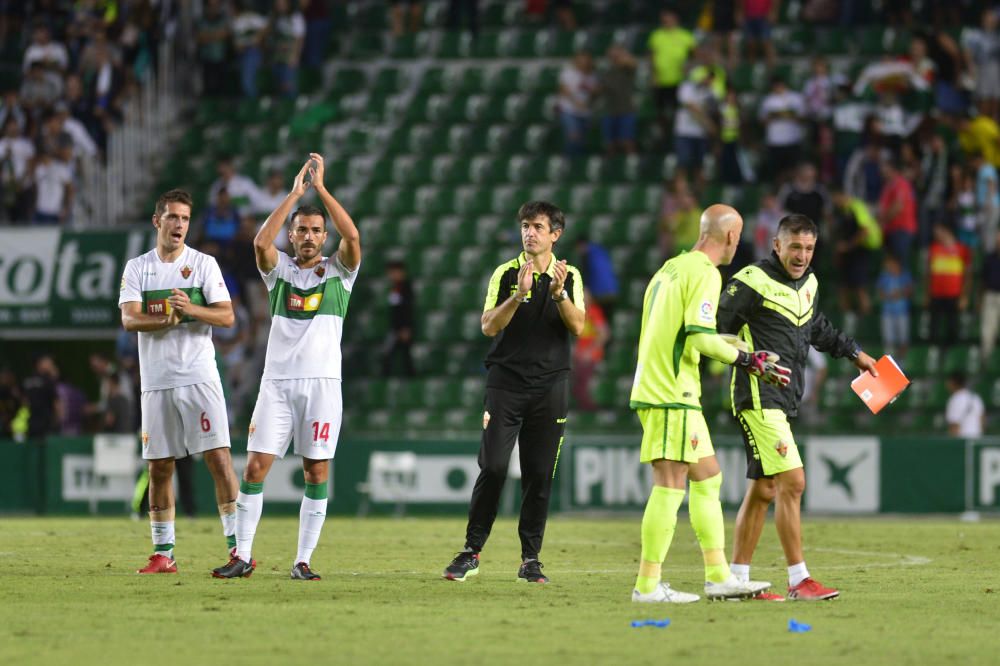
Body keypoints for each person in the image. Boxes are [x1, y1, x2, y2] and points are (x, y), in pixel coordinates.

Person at [213, 154, 361, 581]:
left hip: (322, 386)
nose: (309, 236)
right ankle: (241, 555)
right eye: (302, 230)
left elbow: (352, 236)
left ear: (323, 235)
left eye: (316, 230)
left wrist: (323, 191)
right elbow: (260, 244)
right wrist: (295, 194)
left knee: (315, 471)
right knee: (255, 467)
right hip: (276, 385)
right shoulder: (279, 273)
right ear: (292, 236)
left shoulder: (340, 272)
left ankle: (303, 561)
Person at [718, 214, 879, 601]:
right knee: (794, 482)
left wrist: (854, 352)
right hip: (757, 396)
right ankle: (799, 579)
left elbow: (815, 327)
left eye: (808, 248)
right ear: (777, 245)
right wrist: (746, 357)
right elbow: (712, 329)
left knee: (764, 490)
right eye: (794, 247)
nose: (802, 255)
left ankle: (739, 581)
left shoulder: (809, 284)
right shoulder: (750, 281)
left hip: (787, 398)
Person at [629, 204, 785, 604]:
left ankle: (719, 576)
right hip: (671, 393)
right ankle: (647, 586)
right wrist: (749, 360)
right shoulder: (706, 273)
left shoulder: (671, 268)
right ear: (731, 236)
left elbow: (689, 332)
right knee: (669, 486)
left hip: (665, 387)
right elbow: (699, 339)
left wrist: (739, 347)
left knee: (708, 477)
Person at [441, 201, 585, 584]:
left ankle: (530, 559)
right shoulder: (506, 274)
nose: (529, 233)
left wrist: (559, 294)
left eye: (538, 226)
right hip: (506, 383)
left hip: (551, 385)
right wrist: (519, 296)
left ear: (556, 234)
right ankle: (472, 551)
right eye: (525, 226)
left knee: (539, 474)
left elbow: (579, 327)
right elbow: (489, 326)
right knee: (494, 466)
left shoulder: (569, 276)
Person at [119, 189, 240, 574]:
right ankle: (163, 554)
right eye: (172, 217)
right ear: (158, 221)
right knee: (159, 467)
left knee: (219, 459)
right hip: (155, 381)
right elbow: (130, 320)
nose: (179, 225)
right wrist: (166, 321)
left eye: (185, 219)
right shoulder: (137, 268)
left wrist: (191, 309)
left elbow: (226, 317)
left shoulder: (203, 265)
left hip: (198, 377)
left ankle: (239, 549)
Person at [648, 9, 695, 144]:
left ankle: (677, 136)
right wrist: (653, 75)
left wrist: (688, 67)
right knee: (660, 112)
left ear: (675, 19)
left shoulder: (685, 35)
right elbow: (652, 56)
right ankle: (663, 136)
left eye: (668, 18)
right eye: (664, 19)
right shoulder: (657, 35)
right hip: (661, 80)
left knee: (677, 111)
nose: (666, 21)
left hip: (679, 80)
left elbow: (694, 55)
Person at [381, 259, 416, 377]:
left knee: (405, 355)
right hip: (395, 328)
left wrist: (406, 328)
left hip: (403, 328)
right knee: (389, 354)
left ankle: (411, 381)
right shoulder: (394, 287)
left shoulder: (406, 288)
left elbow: (408, 309)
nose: (391, 275)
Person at [876, 253, 913, 360]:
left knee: (903, 339)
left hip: (902, 312)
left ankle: (902, 363)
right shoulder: (884, 276)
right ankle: (890, 363)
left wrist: (900, 294)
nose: (888, 266)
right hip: (887, 312)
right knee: (888, 341)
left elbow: (910, 290)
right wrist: (889, 295)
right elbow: (880, 292)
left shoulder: (905, 275)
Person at [945, 371, 985, 437]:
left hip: (962, 441)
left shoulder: (955, 399)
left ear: (952, 382)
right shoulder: (975, 397)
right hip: (977, 440)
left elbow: (954, 425)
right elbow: (982, 420)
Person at [980, 229, 1000, 361]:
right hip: (991, 296)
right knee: (987, 333)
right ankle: (986, 365)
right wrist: (981, 299)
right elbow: (983, 281)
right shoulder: (990, 258)